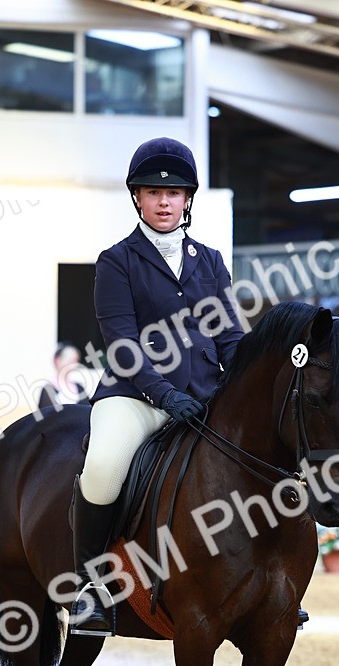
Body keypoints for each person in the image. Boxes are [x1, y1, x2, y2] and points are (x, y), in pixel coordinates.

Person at [70, 137, 244, 636]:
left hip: (205, 398)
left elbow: (230, 334)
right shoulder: (116, 261)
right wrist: (163, 394)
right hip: (135, 396)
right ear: (138, 199)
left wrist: (241, 385)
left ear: (188, 198)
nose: (164, 201)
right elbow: (122, 345)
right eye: (152, 192)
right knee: (102, 467)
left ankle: (265, 585)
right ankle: (88, 588)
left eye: (174, 193)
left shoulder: (210, 261)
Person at [37, 343, 88, 412]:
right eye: (71, 361)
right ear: (57, 360)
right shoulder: (48, 390)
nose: (74, 365)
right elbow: (45, 417)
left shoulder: (79, 388)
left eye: (76, 361)